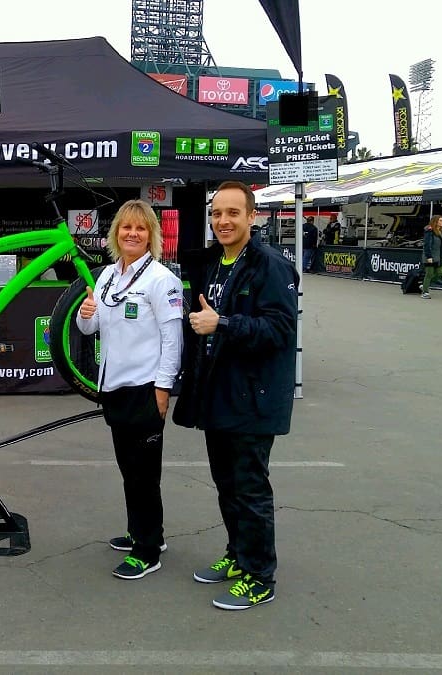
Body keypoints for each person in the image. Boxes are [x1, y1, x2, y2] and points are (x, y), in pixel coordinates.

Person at [172, 181, 297, 610]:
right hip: (217, 395)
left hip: (253, 398)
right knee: (227, 485)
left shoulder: (270, 265)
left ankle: (261, 575)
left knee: (250, 487)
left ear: (251, 216)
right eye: (217, 214)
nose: (223, 221)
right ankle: (238, 556)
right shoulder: (215, 263)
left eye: (232, 213)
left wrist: (223, 324)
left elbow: (280, 330)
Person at [75, 199, 182, 581]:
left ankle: (148, 550)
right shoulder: (106, 276)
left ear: (151, 235)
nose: (132, 234)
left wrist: (163, 388)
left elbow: (173, 340)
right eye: (125, 228)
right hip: (115, 388)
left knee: (143, 474)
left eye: (140, 228)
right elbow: (91, 328)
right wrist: (84, 315)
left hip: (145, 388)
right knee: (129, 469)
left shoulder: (161, 279)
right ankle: (143, 532)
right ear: (115, 234)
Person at [420, 216, 442, 299]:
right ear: (435, 221)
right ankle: (425, 292)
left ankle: (424, 285)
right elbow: (427, 244)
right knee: (429, 274)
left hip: (438, 256)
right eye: (440, 220)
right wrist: (429, 256)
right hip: (429, 256)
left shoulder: (441, 231)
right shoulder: (429, 231)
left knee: (440, 273)